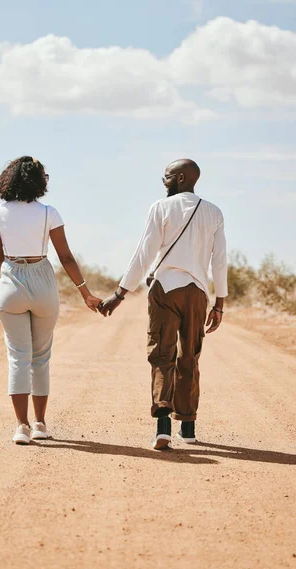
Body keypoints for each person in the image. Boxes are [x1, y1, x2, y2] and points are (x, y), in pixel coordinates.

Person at [99, 159, 228, 450]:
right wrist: (219, 303)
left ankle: (163, 426)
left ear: (181, 178)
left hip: (164, 290)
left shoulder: (160, 208)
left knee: (162, 355)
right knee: (190, 356)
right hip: (196, 293)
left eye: (167, 176)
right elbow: (219, 260)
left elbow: (144, 253)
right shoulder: (214, 212)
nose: (164, 180)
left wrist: (120, 294)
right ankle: (189, 425)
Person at [0, 156, 102, 445]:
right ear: (39, 181)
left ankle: (21, 427)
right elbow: (65, 257)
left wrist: (5, 288)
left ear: (9, 179)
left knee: (17, 357)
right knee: (41, 358)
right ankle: (39, 423)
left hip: (11, 279)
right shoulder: (49, 213)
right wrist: (85, 293)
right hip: (42, 279)